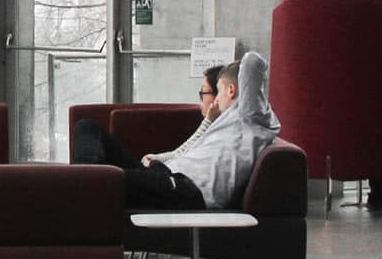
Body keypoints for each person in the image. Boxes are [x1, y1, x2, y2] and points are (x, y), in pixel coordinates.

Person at [73, 54, 281, 211]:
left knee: (110, 181)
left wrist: (232, 69)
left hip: (186, 190)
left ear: (231, 90)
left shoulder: (251, 116)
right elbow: (189, 151)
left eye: (219, 90)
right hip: (166, 176)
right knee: (86, 127)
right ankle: (88, 178)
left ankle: (87, 183)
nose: (215, 100)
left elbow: (253, 61)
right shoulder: (229, 123)